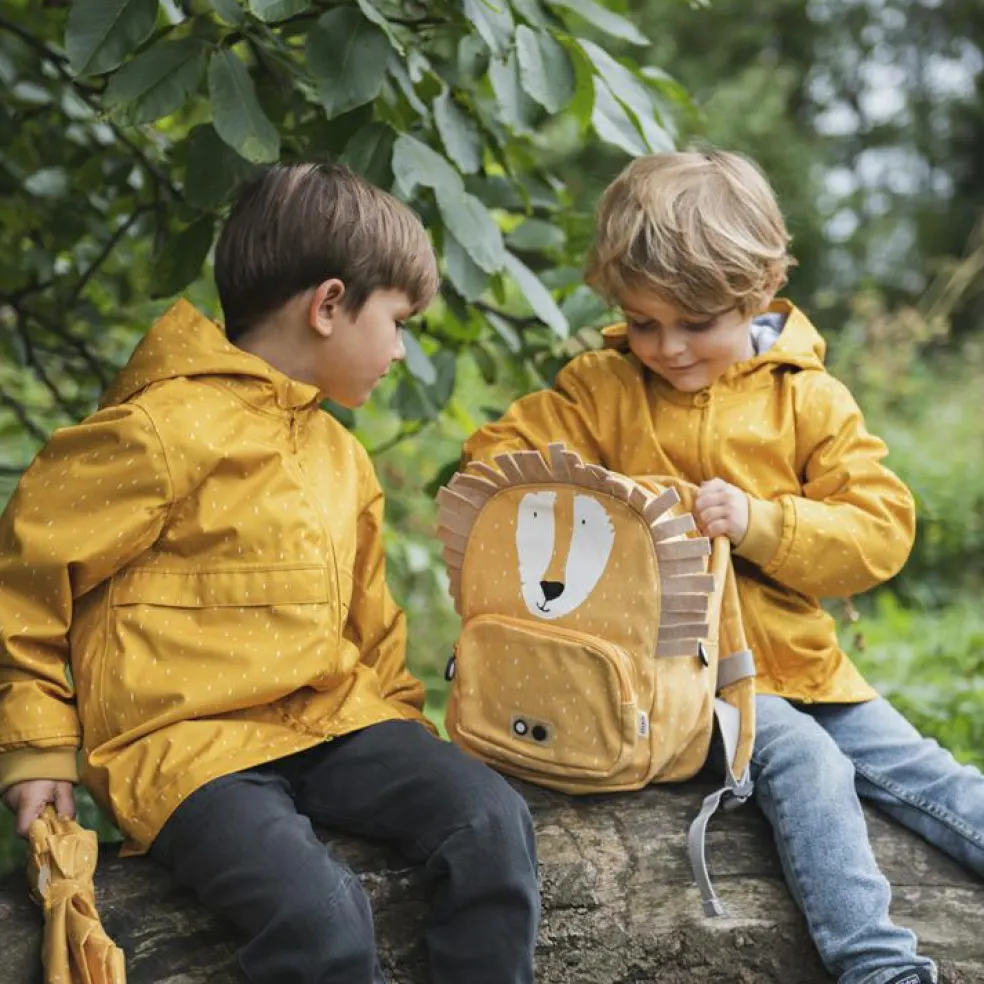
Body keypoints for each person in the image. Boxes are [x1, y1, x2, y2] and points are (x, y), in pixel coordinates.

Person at [0, 162, 539, 984]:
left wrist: (408, 749)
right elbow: (25, 582)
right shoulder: (157, 432)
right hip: (188, 748)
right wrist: (37, 749)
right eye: (398, 322)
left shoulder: (342, 456)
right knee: (319, 917)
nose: (400, 350)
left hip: (331, 723)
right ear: (328, 305)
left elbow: (372, 627)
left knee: (490, 820)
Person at [461, 149, 984, 984]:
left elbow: (880, 531)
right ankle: (879, 965)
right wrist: (627, 496)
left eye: (694, 322)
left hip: (805, 667)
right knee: (807, 763)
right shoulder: (600, 390)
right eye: (641, 322)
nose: (665, 347)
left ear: (760, 288)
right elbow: (494, 460)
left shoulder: (807, 398)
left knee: (935, 776)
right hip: (676, 679)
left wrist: (761, 522)